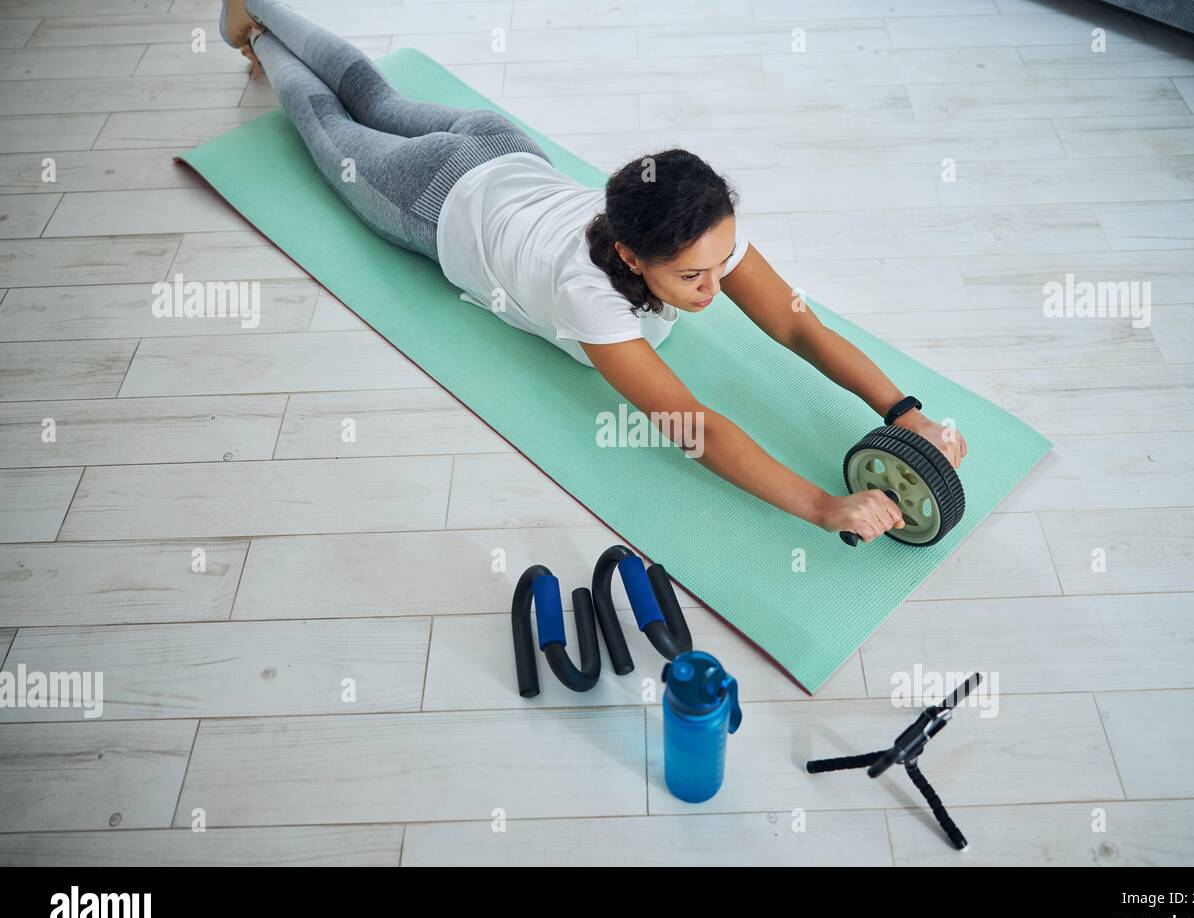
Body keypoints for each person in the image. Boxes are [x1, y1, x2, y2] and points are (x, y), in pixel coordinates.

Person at [218, 0, 968, 545]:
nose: (714, 289)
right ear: (634, 260)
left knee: (380, 94)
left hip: (501, 147)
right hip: (429, 197)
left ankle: (261, 10)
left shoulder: (691, 229)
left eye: (719, 265)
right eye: (691, 280)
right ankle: (256, 24)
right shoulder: (591, 295)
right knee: (334, 124)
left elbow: (797, 325)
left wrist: (903, 411)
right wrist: (820, 506)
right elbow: (693, 426)